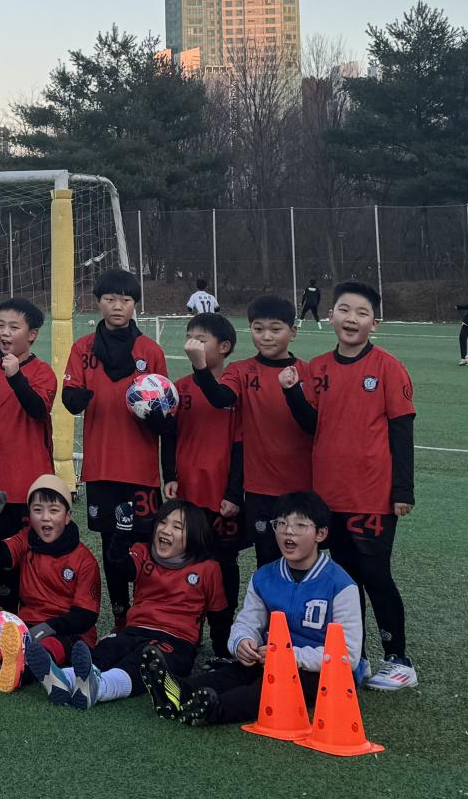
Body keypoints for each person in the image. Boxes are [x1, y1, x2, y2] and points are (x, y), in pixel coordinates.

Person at [282, 280, 418, 690]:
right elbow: (311, 424)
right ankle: (355, 657)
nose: (351, 319)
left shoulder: (388, 367)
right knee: (344, 581)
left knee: (375, 574)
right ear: (331, 316)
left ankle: (399, 660)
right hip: (329, 495)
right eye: (344, 310)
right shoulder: (319, 367)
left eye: (361, 313)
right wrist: (292, 393)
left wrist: (403, 490)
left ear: (375, 323)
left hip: (372, 495)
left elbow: (402, 432)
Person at [157, 490, 364, 725]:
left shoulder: (341, 585)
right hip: (271, 659)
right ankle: (177, 691)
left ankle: (213, 710)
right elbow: (247, 622)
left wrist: (291, 656)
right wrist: (242, 643)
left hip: (321, 672)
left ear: (321, 533)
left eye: (300, 526)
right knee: (235, 672)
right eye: (281, 524)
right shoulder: (264, 576)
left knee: (265, 688)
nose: (288, 531)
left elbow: (349, 655)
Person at [30, 500, 224, 711]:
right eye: (162, 522)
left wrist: (222, 652)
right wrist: (122, 531)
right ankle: (62, 678)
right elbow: (119, 566)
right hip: (135, 629)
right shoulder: (144, 551)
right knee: (108, 649)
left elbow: (219, 614)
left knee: (143, 660)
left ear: (194, 536)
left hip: (176, 640)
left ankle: (99, 688)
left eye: (177, 527)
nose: (166, 530)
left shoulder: (208, 569)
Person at [62, 269, 172, 627]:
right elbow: (70, 398)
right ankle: (122, 616)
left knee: (144, 545)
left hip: (140, 470)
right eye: (110, 299)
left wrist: (156, 416)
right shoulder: (83, 348)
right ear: (99, 302)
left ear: (134, 304)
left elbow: (167, 414)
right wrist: (75, 398)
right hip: (101, 467)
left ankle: (146, 614)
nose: (117, 306)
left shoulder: (150, 352)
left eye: (125, 300)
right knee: (112, 545)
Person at [185, 293, 314, 565]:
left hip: (301, 485)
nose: (266, 336)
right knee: (266, 558)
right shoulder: (241, 370)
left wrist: (292, 391)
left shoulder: (308, 372)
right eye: (258, 329)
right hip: (258, 488)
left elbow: (312, 424)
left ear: (292, 332)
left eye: (275, 329)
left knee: (300, 559)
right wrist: (200, 366)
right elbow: (220, 398)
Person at [166, 310, 243, 651]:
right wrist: (169, 475)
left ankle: (223, 639)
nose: (191, 344)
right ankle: (186, 631)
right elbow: (170, 435)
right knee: (187, 562)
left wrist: (234, 492)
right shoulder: (180, 388)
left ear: (224, 347)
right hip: (188, 491)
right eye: (189, 337)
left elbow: (240, 444)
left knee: (223, 565)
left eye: (201, 339)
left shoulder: (233, 388)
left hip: (221, 496)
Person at [0, 476, 99, 677]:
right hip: (28, 624)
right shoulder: (26, 538)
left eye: (54, 510)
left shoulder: (85, 560)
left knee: (46, 649)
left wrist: (48, 627)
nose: (45, 517)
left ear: (67, 516)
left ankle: (20, 670)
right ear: (29, 515)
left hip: (69, 631)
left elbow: (85, 617)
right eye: (38, 510)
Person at [0, 297, 58, 548]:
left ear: (32, 335)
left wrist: (16, 377)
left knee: (33, 550)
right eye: (0, 325)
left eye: (13, 327)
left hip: (31, 482)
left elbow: (38, 410)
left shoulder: (42, 372)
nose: (5, 333)